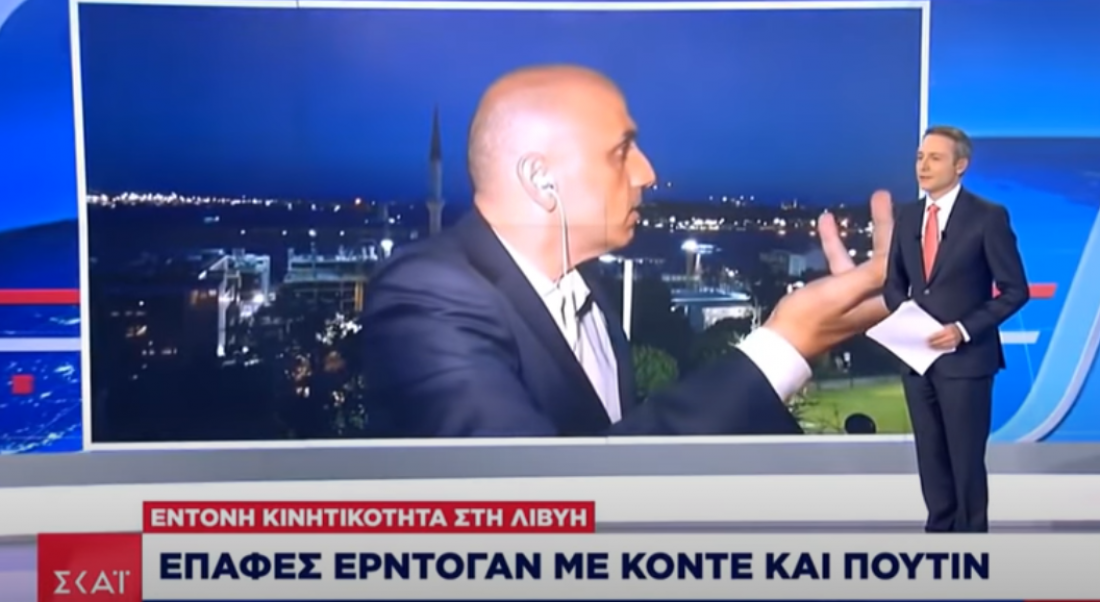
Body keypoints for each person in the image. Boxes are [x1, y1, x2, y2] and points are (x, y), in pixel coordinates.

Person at [361, 64, 893, 437]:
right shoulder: (423, 295)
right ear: (541, 179)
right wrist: (786, 344)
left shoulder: (588, 289)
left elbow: (622, 447)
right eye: (621, 152)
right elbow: (532, 504)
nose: (647, 172)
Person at [884, 125, 1029, 532]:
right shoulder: (908, 216)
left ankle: (970, 547)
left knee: (965, 461)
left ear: (960, 165)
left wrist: (963, 329)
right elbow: (893, 284)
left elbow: (1015, 290)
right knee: (931, 458)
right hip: (918, 363)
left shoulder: (988, 217)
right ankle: (939, 539)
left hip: (966, 362)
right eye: (920, 157)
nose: (923, 166)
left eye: (935, 158)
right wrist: (906, 319)